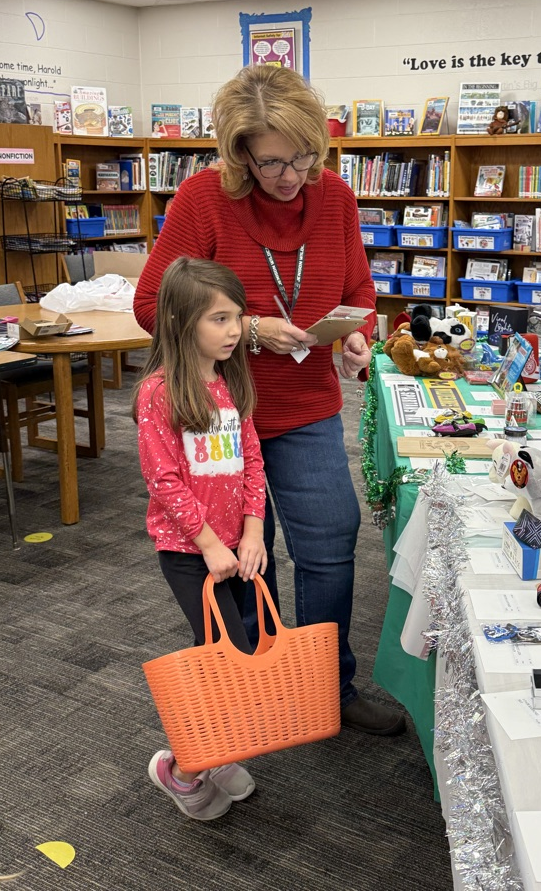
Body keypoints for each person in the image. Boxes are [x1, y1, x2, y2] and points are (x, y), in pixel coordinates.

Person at [134, 63, 405, 737]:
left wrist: (357, 336)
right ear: (240, 155)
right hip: (221, 414)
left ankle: (328, 686)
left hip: (307, 407)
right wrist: (248, 328)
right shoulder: (202, 201)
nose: (290, 175)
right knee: (236, 557)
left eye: (304, 156)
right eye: (272, 162)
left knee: (329, 545)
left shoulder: (335, 196)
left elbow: (361, 292)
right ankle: (264, 685)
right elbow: (151, 304)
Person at [134, 257, 267, 820]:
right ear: (180, 320)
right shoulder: (158, 393)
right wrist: (210, 542)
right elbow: (162, 479)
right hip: (189, 552)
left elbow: (252, 460)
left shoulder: (229, 378)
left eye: (237, 316)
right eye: (219, 318)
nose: (234, 330)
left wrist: (254, 528)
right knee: (228, 655)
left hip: (236, 547)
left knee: (229, 650)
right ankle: (184, 766)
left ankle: (215, 751)